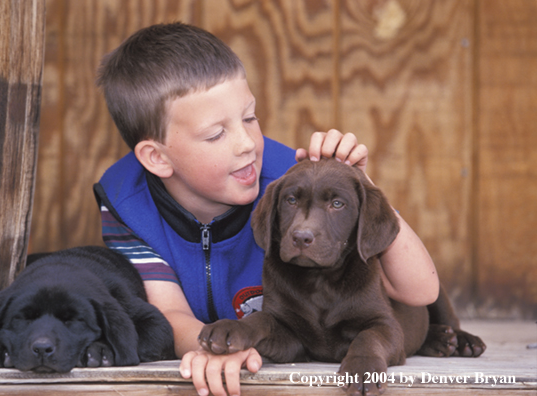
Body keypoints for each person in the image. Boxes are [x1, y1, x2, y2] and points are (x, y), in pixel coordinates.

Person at [94, 22, 439, 396]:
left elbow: (421, 292)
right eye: (216, 134)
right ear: (157, 158)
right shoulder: (127, 205)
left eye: (249, 117)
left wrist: (361, 183)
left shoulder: (288, 181)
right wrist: (217, 349)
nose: (246, 144)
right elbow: (169, 312)